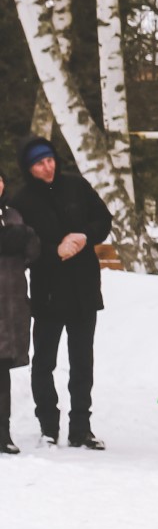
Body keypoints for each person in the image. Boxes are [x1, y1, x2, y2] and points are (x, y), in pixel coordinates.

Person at [14, 137, 113, 449]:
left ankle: (81, 427)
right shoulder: (22, 200)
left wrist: (85, 235)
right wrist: (53, 250)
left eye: (50, 159)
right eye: (40, 163)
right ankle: (48, 425)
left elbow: (103, 219)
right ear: (29, 169)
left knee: (83, 362)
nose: (48, 166)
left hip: (84, 287)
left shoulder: (76, 185)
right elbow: (22, 249)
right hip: (48, 292)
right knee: (45, 362)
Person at [0, 167, 41, 455]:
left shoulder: (13, 215)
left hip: (10, 306)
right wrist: (14, 239)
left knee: (3, 374)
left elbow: (33, 247)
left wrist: (21, 236)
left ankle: (3, 433)